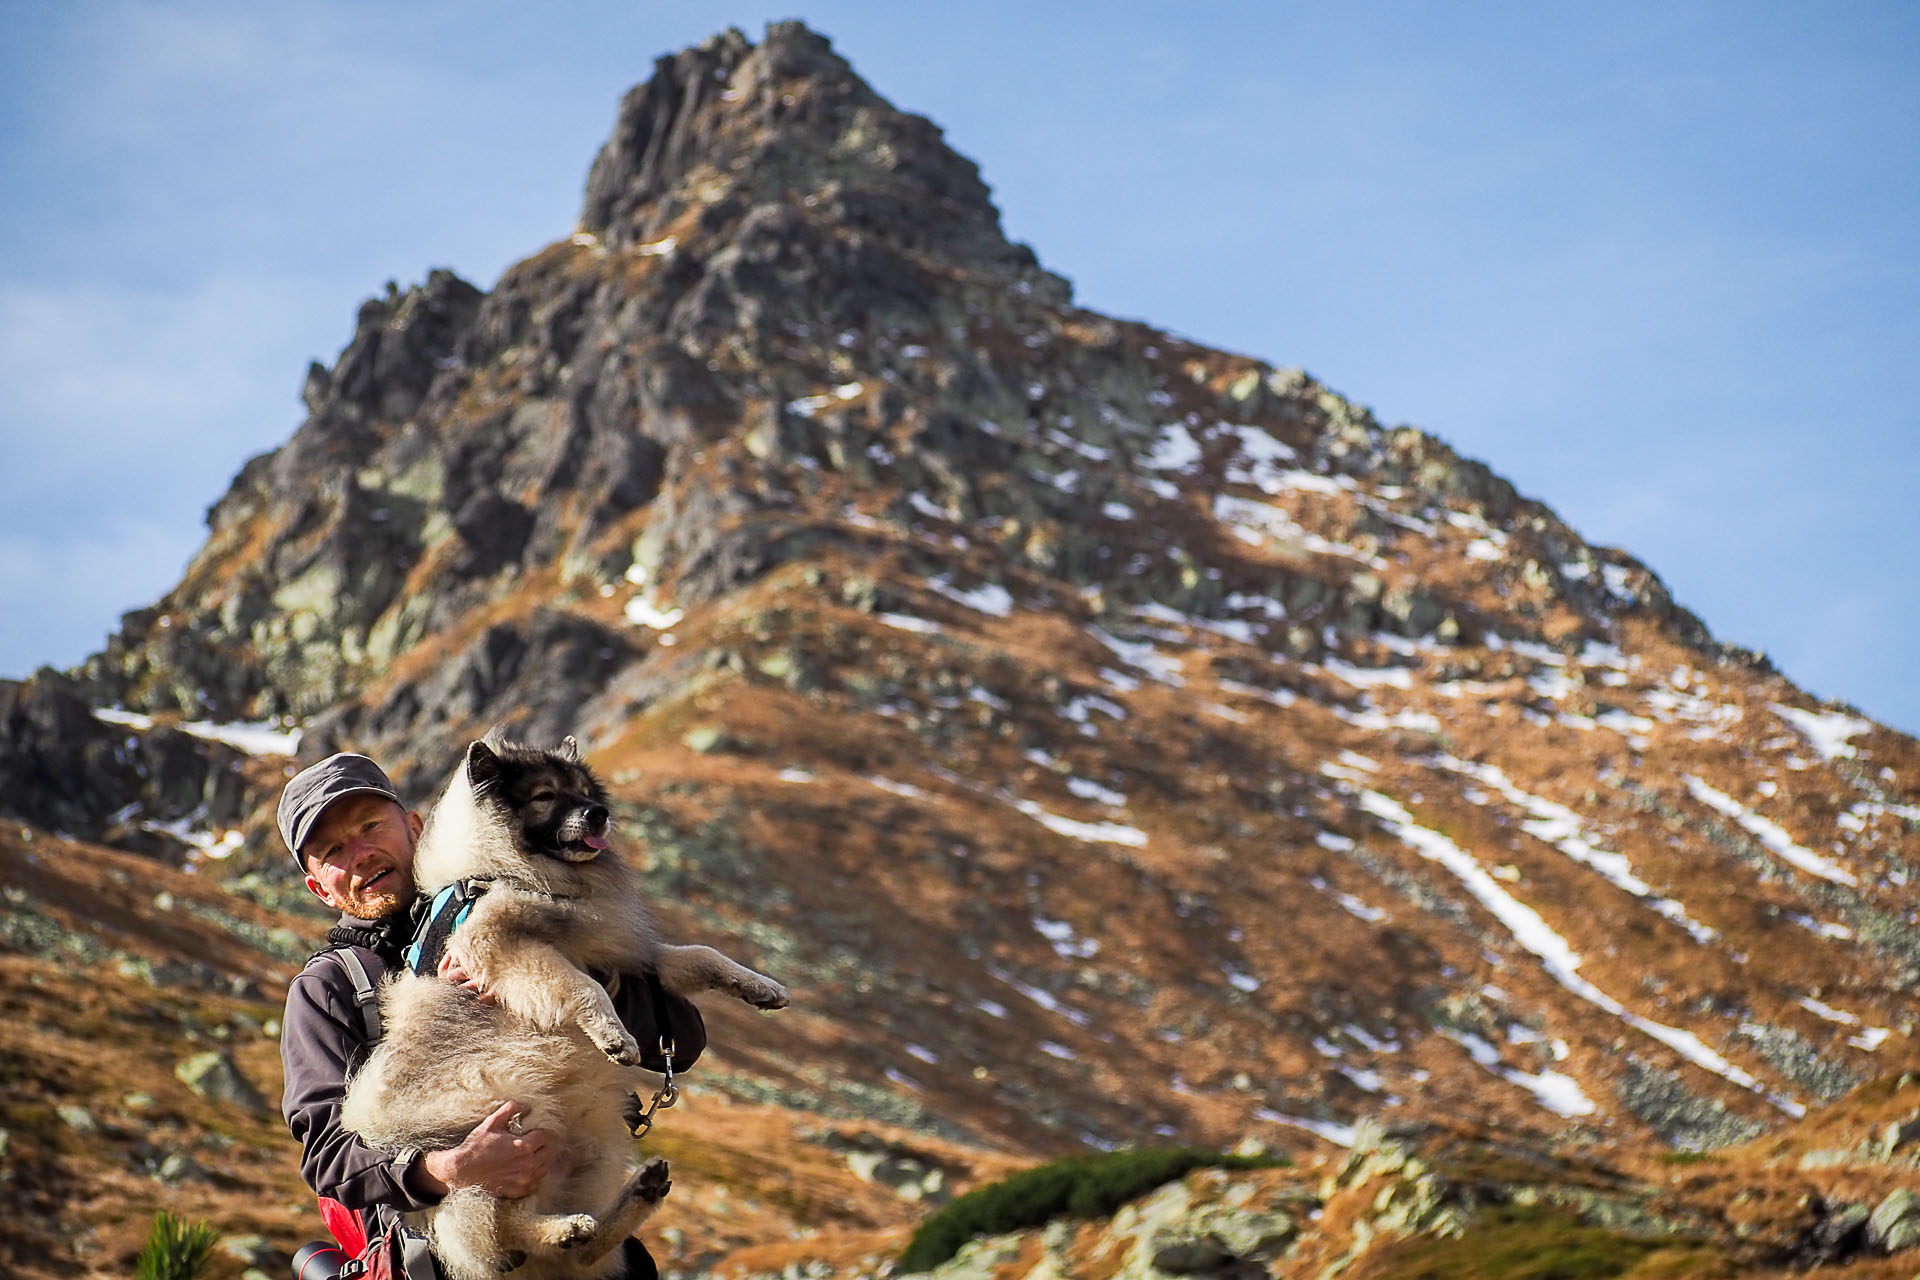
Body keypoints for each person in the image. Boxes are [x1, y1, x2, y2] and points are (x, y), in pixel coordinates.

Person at [277, 752, 704, 1280]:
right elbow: (327, 1155)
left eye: (370, 827)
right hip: (447, 1252)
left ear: (414, 827)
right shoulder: (331, 989)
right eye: (333, 851)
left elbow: (680, 1043)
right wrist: (447, 1169)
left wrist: (569, 979)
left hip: (579, 1208)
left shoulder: (531, 899)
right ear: (319, 886)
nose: (361, 854)